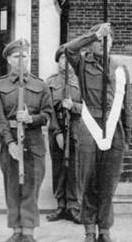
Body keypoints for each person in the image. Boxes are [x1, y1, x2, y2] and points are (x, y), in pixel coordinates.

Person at [64, 23, 131, 242]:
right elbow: (69, 49)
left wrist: (127, 137)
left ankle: (104, 229)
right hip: (90, 125)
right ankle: (89, 230)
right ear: (92, 45)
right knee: (88, 179)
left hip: (114, 128)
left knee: (108, 182)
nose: (103, 43)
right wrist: (94, 34)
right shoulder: (82, 62)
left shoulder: (120, 68)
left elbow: (126, 106)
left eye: (107, 39)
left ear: (112, 43)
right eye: (99, 41)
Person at [0, 39, 53, 242]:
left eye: (24, 56)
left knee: (31, 187)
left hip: (33, 142)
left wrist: (31, 118)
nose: (21, 60)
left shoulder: (40, 85)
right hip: (9, 142)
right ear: (9, 59)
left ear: (29, 58)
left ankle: (28, 231)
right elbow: (0, 119)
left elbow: (48, 114)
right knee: (12, 188)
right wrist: (9, 143)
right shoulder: (0, 85)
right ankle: (16, 230)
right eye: (16, 56)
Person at [46, 45, 82, 224]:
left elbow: (89, 107)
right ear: (58, 61)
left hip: (76, 128)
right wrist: (57, 132)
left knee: (75, 168)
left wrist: (73, 106)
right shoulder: (50, 82)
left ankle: (73, 206)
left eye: (68, 59)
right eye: (62, 58)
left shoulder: (81, 81)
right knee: (58, 167)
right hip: (57, 128)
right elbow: (48, 109)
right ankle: (60, 204)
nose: (65, 62)